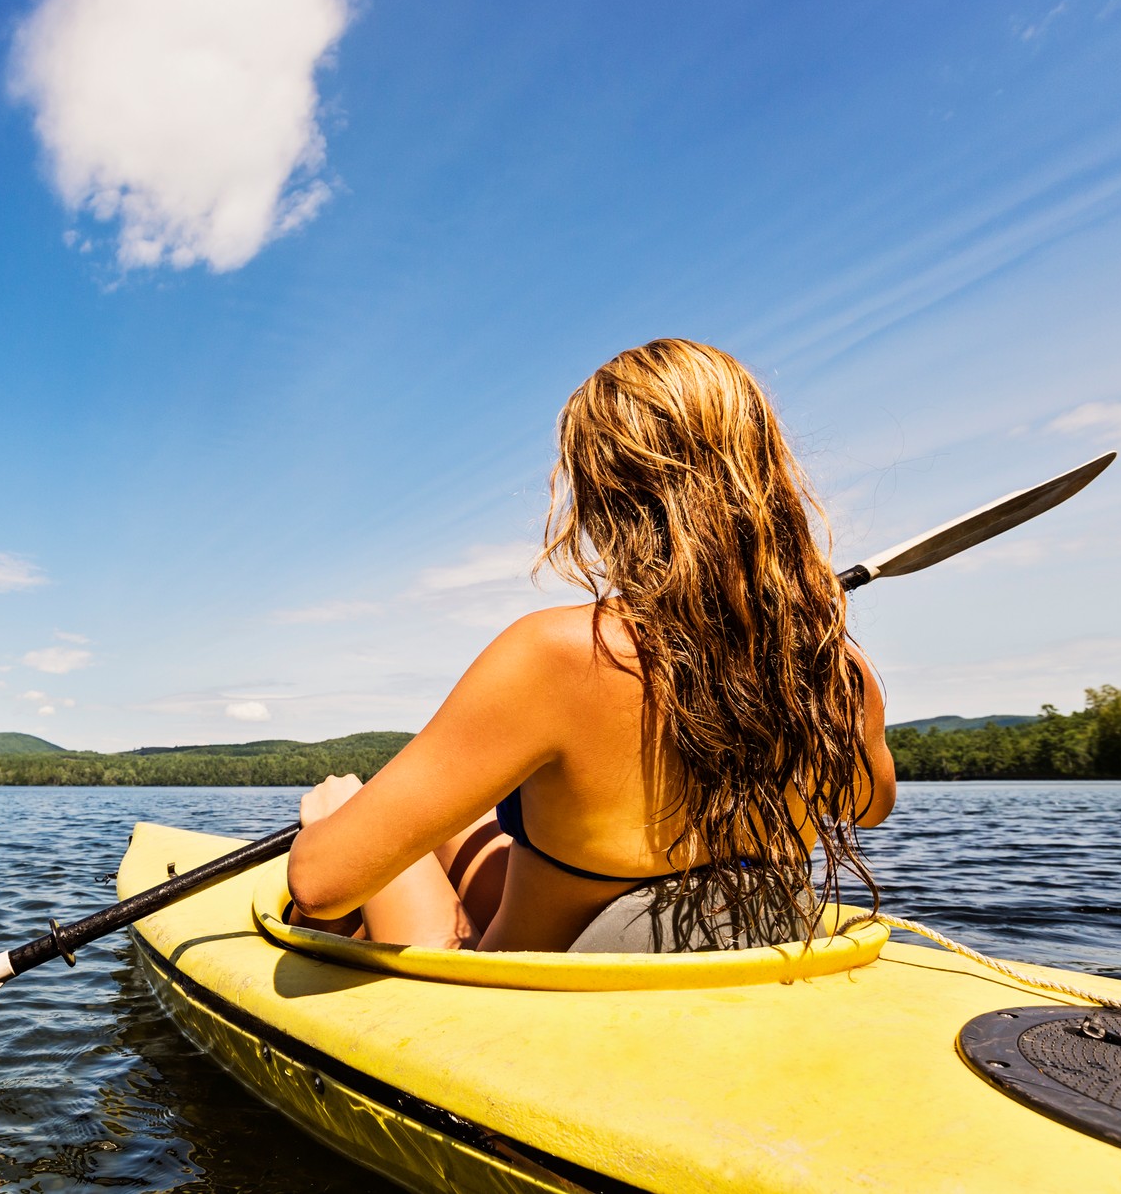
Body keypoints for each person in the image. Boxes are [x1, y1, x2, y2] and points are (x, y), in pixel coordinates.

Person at [286, 339, 896, 953]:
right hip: (735, 962)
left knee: (345, 815)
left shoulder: (556, 654)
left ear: (601, 492)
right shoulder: (834, 665)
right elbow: (871, 807)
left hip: (541, 999)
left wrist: (335, 817)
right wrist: (799, 617)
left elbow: (320, 885)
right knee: (462, 828)